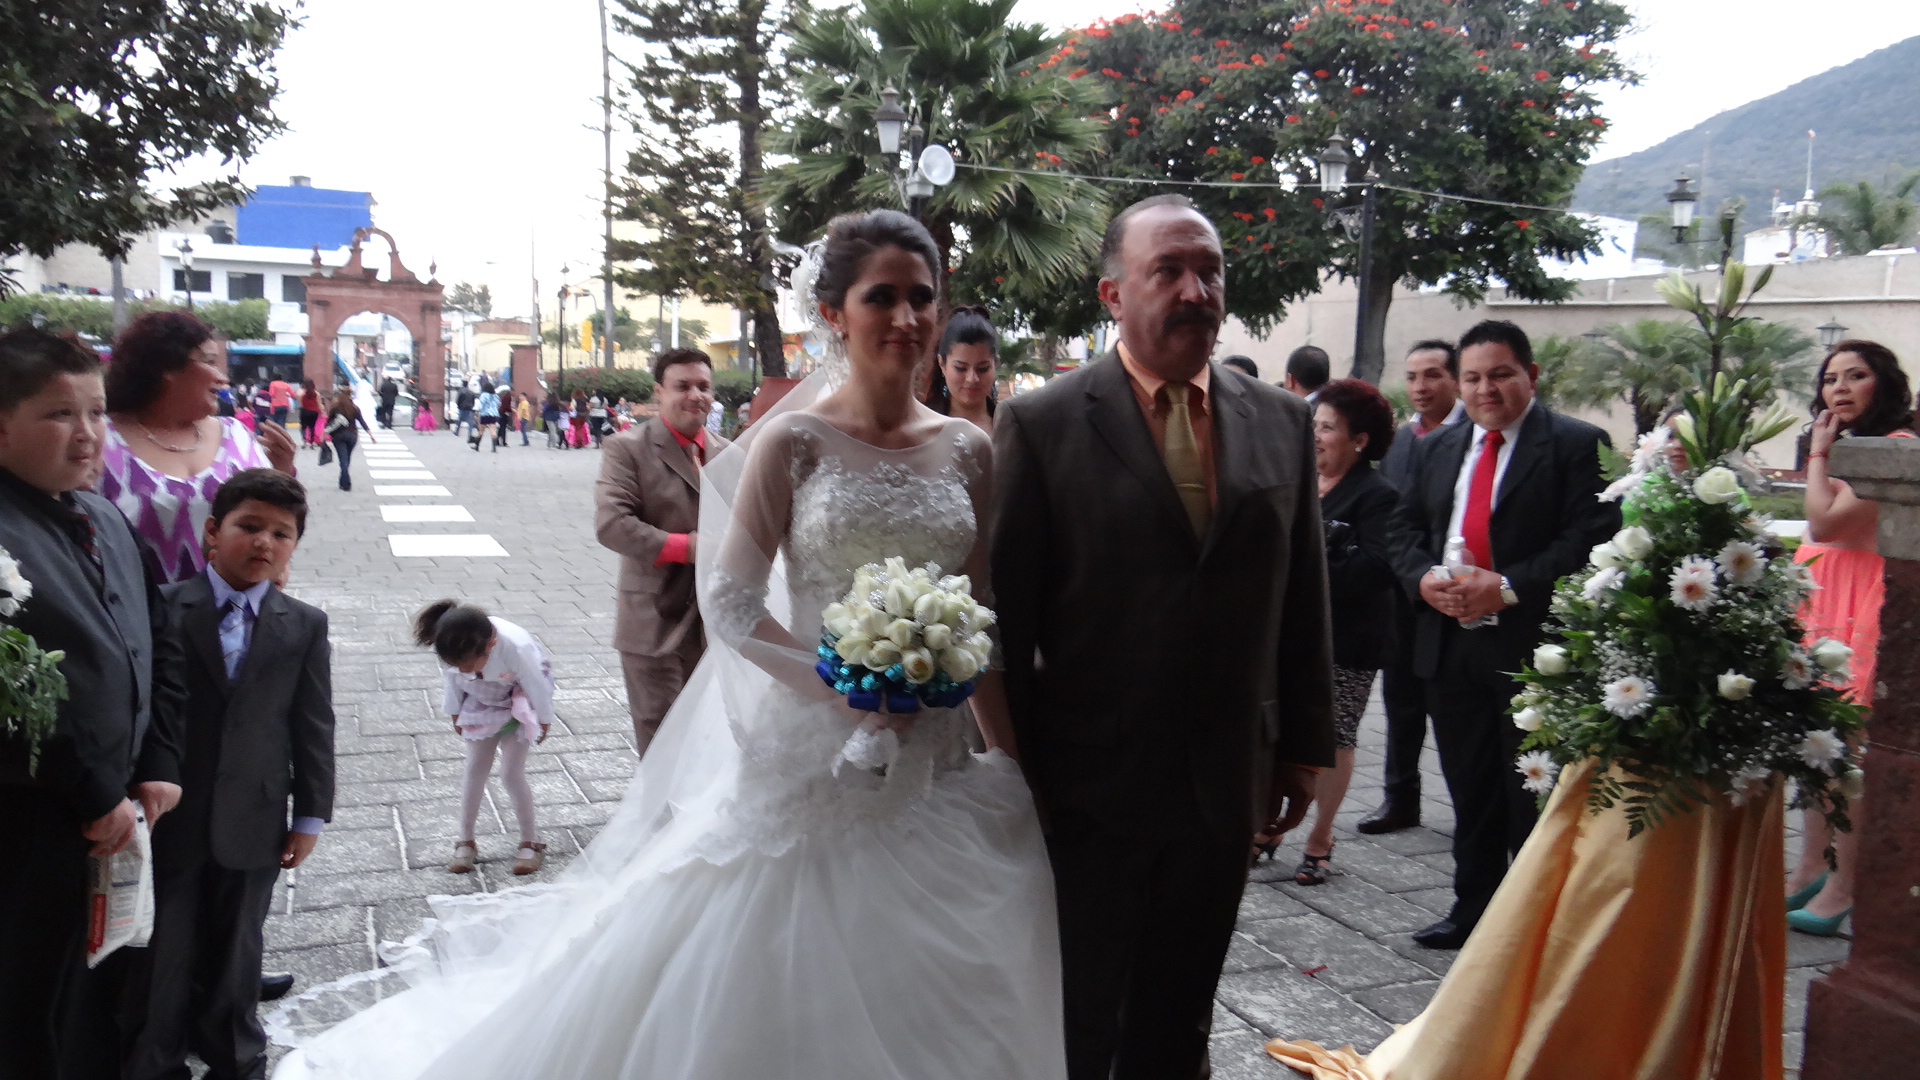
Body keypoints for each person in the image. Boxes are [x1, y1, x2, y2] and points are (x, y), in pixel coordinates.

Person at [271, 209, 1061, 1080]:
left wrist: (1008, 754)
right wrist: (844, 686)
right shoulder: (794, 441)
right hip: (819, 749)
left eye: (923, 296)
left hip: (938, 761)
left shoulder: (968, 448)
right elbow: (731, 600)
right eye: (884, 297)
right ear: (834, 312)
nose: (908, 318)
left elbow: (979, 611)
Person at [991, 193, 1334, 1080]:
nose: (1194, 291)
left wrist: (1304, 747)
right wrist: (1014, 773)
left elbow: (1303, 597)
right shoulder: (1042, 424)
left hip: (1227, 778)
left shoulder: (1282, 422)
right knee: (1080, 1012)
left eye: (1209, 272)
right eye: (1168, 271)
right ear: (1112, 293)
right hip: (1088, 786)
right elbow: (1005, 624)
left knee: (1181, 1013)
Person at [1384, 319, 1618, 950]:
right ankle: (1474, 913)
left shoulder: (1576, 444)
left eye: (1500, 375)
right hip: (1450, 644)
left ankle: (1536, 925)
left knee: (1532, 793)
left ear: (1530, 375)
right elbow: (1402, 529)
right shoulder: (1439, 446)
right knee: (1470, 786)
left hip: (1533, 650)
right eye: (1473, 378)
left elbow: (1590, 541)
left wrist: (1508, 585)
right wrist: (1423, 580)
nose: (1486, 390)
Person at [0, 328, 185, 1080]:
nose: (87, 435)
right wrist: (93, 790)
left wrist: (159, 756)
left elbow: (157, 637)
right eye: (59, 414)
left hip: (122, 810)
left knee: (102, 1001)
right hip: (37, 821)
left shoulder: (102, 515)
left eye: (98, 413)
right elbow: (11, 699)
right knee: (32, 1009)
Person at [125, 469, 334, 1080]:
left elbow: (313, 723)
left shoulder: (304, 624)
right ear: (213, 532)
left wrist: (310, 814)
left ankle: (236, 1059)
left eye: (281, 534)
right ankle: (153, 1061)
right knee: (162, 948)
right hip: (170, 815)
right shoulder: (164, 606)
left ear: (293, 547)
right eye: (249, 526)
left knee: (239, 948)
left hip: (256, 814)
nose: (264, 542)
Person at [1783, 339, 1917, 935]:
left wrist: (1816, 454)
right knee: (1818, 747)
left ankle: (1843, 887)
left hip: (1864, 600)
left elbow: (1825, 522)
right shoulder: (1853, 445)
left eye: (1855, 375)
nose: (1838, 388)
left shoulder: (1898, 446)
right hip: (1823, 595)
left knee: (1851, 754)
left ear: (1882, 383)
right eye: (1830, 378)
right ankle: (1810, 867)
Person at [1283, 379, 1399, 886]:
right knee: (1281, 730)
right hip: (1291, 633)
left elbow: (1375, 569)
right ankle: (1273, 824)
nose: (1315, 436)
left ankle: (1320, 835)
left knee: (1334, 736)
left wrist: (1307, 568)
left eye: (1328, 427)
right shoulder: (1299, 482)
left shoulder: (1379, 496)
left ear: (1360, 440)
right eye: (1314, 425)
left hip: (1347, 638)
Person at [97, 311, 296, 584]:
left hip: (234, 607)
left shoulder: (236, 434)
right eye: (210, 362)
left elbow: (272, 516)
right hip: (135, 607)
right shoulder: (100, 441)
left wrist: (281, 474)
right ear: (166, 367)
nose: (222, 378)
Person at [595, 349, 726, 755]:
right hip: (654, 621)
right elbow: (612, 524)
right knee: (661, 742)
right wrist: (689, 548)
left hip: (716, 623)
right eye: (682, 386)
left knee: (708, 742)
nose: (695, 395)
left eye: (703, 387)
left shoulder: (728, 454)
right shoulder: (627, 448)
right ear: (659, 392)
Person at [1359, 340, 1465, 835]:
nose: (1420, 387)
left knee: (1453, 711)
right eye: (1412, 376)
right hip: (1403, 591)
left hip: (1457, 593)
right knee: (1400, 701)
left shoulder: (1473, 435)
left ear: (1455, 379)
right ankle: (1400, 798)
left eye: (1433, 375)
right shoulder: (1401, 441)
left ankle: (1470, 806)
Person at [415, 600, 556, 876]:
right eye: (457, 665)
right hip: (479, 700)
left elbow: (536, 684)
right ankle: (465, 839)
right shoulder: (450, 646)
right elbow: (452, 681)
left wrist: (543, 718)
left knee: (511, 773)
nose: (462, 670)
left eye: (468, 665)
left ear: (490, 645)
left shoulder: (515, 647)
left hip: (519, 700)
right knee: (475, 768)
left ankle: (530, 840)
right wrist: (455, 713)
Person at [927, 305, 999, 433]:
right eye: (961, 368)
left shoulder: (1011, 426)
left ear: (996, 364)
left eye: (982, 369)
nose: (972, 378)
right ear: (942, 364)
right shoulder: (923, 427)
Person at [324, 388, 374, 492]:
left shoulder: (335, 408)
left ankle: (346, 483)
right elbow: (362, 421)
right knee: (347, 459)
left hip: (338, 436)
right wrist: (370, 434)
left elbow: (329, 423)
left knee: (343, 460)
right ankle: (343, 481)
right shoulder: (355, 408)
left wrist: (324, 434)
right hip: (352, 436)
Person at [473, 385, 499, 452]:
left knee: (481, 430)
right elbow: (498, 404)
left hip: (485, 414)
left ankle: (477, 446)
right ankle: (494, 448)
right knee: (493, 431)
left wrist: (476, 412)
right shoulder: (495, 396)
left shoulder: (484, 395)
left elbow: (481, 404)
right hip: (493, 414)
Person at [298, 379, 322, 448]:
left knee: (303, 427)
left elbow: (300, 403)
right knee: (312, 427)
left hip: (305, 411)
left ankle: (304, 441)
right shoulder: (316, 393)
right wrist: (321, 411)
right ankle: (311, 442)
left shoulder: (302, 393)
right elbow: (319, 404)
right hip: (314, 412)